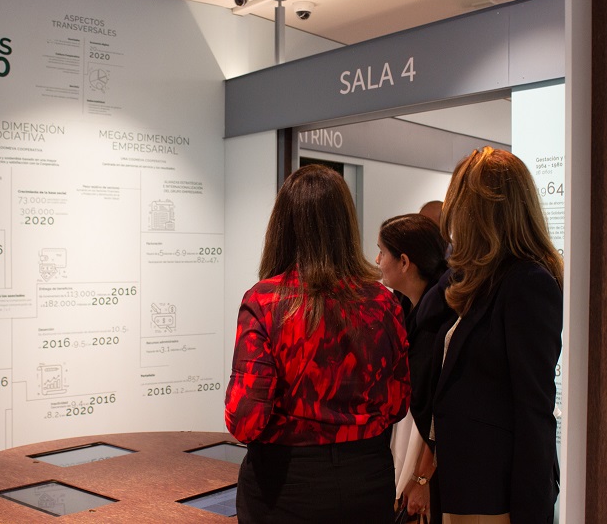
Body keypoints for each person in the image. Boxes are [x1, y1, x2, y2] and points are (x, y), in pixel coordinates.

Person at [225, 164, 411, 524]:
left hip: (284, 486)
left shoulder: (265, 302)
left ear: (282, 225)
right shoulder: (383, 302)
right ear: (345, 224)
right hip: (368, 478)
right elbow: (398, 404)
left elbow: (245, 419)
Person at [432, 147, 563, 523]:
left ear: (485, 213)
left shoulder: (527, 283)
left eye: (461, 206)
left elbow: (534, 408)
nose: (454, 222)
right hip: (465, 485)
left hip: (495, 495)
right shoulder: (482, 280)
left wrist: (531, 512)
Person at [377, 214, 453, 523]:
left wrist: (422, 478)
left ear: (405, 262)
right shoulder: (407, 312)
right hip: (406, 448)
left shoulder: (438, 327)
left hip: (426, 463)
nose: (377, 261)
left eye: (382, 252)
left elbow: (438, 410)